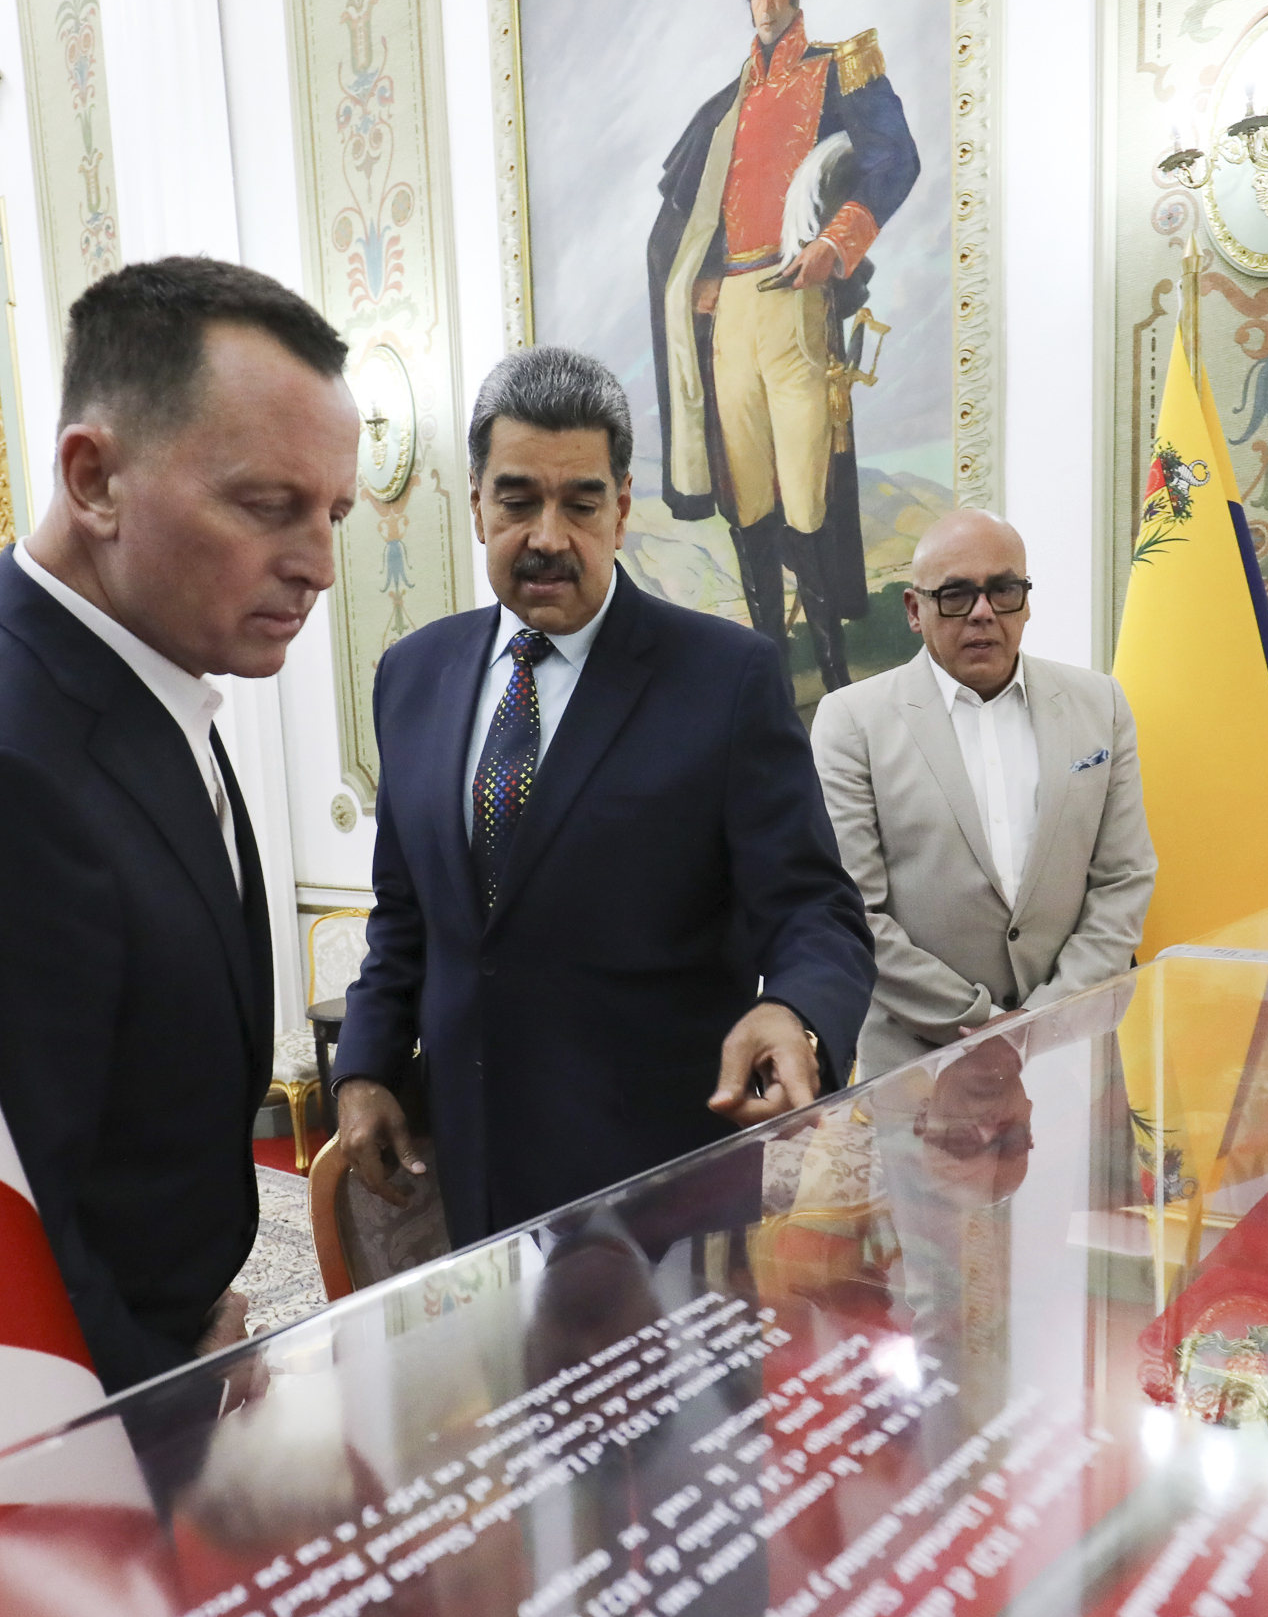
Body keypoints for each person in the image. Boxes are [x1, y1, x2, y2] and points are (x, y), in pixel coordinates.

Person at [0, 257, 359, 1391]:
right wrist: (165, 1397)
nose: (321, 564)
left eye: (333, 511)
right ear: (94, 478)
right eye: (268, 505)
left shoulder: (142, 665)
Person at [331, 346, 875, 1245]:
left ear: (621, 509)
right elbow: (405, 914)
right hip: (470, 1170)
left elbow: (816, 909)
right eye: (516, 500)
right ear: (475, 506)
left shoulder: (725, 678)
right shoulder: (411, 675)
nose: (548, 535)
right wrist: (366, 1069)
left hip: (665, 1190)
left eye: (580, 502)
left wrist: (797, 1014)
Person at [648, 0, 920, 693]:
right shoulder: (729, 100)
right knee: (748, 500)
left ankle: (835, 681)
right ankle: (768, 677)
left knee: (809, 499)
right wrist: (702, 275)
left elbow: (896, 162)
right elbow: (697, 209)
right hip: (732, 310)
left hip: (798, 301)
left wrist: (835, 245)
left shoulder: (841, 69)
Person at [810, 509, 1155, 1075]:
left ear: (1025, 597)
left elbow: (1124, 878)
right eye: (954, 595)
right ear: (913, 610)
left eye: (1004, 590)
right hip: (919, 1068)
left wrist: (1043, 1022)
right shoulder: (852, 722)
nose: (982, 613)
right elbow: (854, 910)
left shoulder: (1101, 705)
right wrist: (979, 1023)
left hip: (1072, 1053)